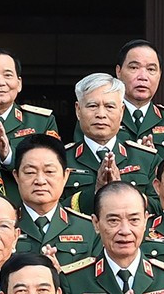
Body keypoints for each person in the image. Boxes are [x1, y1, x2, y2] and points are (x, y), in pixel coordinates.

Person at [66, 74, 158, 214]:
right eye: (92, 106)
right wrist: (95, 192)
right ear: (78, 110)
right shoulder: (61, 159)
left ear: (121, 112)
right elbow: (50, 209)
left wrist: (123, 190)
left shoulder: (146, 159)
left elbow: (163, 207)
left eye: (109, 106)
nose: (101, 114)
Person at [116, 40, 164, 150]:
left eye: (151, 69)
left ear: (160, 75)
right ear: (119, 72)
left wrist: (152, 160)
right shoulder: (104, 117)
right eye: (134, 68)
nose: (143, 77)